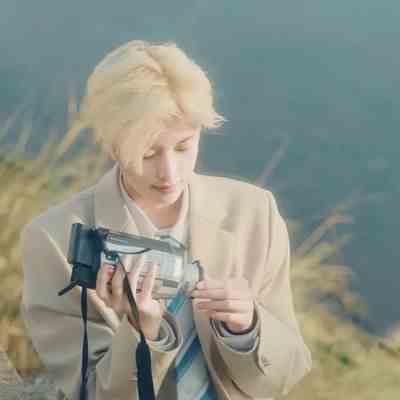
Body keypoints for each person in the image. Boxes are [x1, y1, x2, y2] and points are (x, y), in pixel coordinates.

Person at [19, 40, 312, 400]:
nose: (169, 172)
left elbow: (288, 372)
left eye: (184, 146)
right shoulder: (53, 240)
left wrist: (248, 327)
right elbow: (92, 393)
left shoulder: (254, 213)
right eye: (147, 153)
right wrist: (142, 333)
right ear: (111, 145)